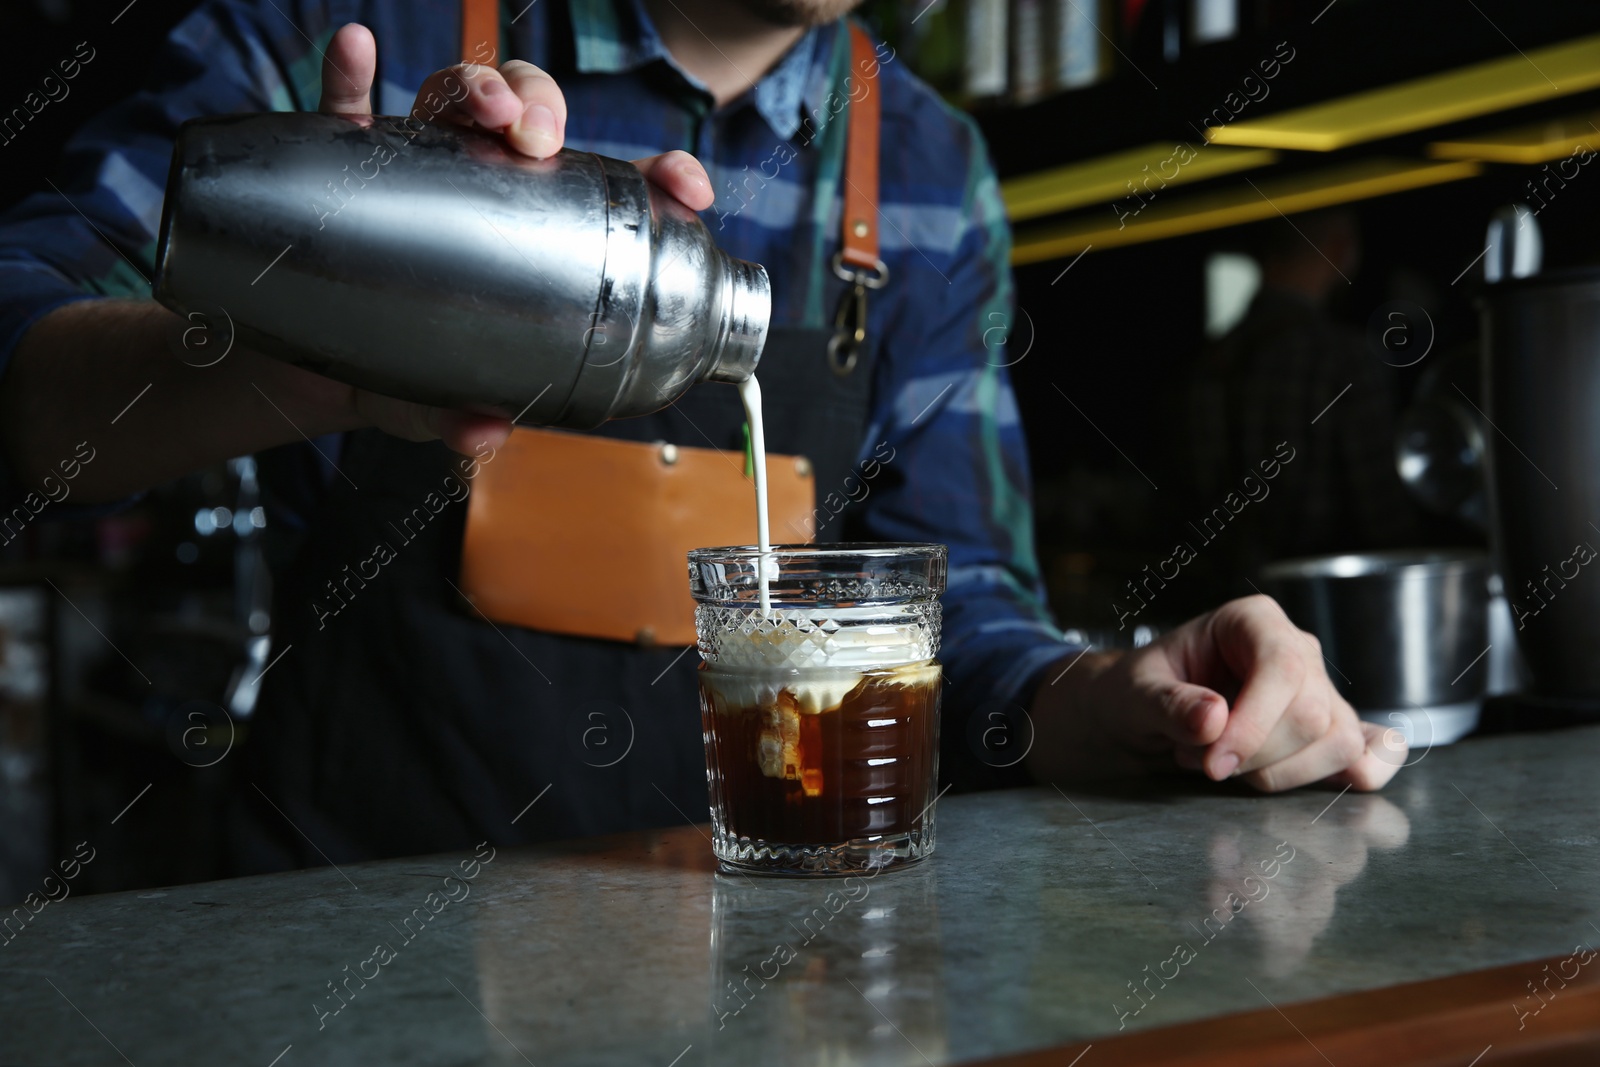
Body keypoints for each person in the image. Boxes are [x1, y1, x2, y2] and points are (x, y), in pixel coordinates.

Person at [0, 0, 1401, 872]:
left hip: (738, 978)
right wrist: (306, 356)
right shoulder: (354, 21)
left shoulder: (921, 171)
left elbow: (948, 606)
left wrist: (1119, 694)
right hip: (338, 939)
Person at [1186, 209, 1426, 588]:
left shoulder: (1211, 360)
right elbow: (1384, 516)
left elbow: (1189, 502)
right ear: (1341, 249)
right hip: (1326, 608)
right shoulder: (1342, 359)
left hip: (1224, 603)